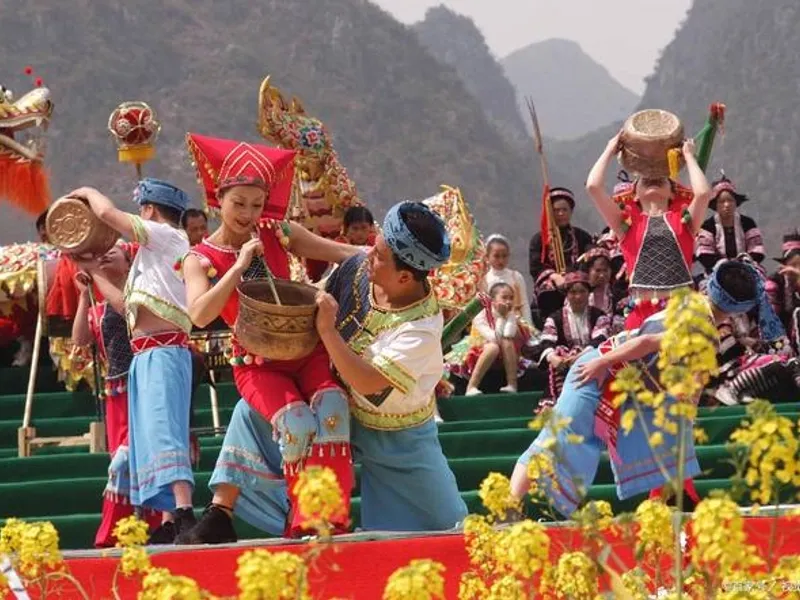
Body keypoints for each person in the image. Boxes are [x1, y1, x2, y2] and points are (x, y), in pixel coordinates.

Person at [177, 133, 355, 544]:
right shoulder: (200, 257)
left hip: (306, 351)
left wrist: (378, 257)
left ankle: (328, 521)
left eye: (256, 204)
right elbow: (199, 313)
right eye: (238, 203)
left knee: (332, 407)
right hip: (257, 364)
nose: (248, 213)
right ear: (217, 200)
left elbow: (339, 252)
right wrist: (238, 266)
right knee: (296, 423)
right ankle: (301, 523)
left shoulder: (278, 232)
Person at [510, 260, 764, 517]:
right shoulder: (702, 329)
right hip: (603, 372)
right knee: (557, 442)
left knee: (641, 444)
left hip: (625, 385)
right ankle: (511, 507)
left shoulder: (689, 303)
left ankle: (669, 502)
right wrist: (603, 362)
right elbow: (649, 342)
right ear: (740, 308)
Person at [319, 201, 468, 531]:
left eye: (378, 255)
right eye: (374, 246)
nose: (368, 255)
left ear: (404, 277)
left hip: (404, 440)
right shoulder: (371, 269)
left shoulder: (421, 329)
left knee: (449, 527)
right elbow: (313, 244)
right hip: (345, 415)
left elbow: (369, 381)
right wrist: (274, 229)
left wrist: (328, 331)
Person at [70, 179, 196, 543]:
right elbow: (126, 308)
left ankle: (185, 512)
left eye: (141, 208)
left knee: (165, 430)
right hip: (146, 354)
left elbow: (107, 213)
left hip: (164, 349)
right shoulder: (151, 256)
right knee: (151, 437)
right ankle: (170, 518)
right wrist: (93, 273)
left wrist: (86, 192)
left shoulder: (168, 237)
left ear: (151, 210)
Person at [70, 243, 161, 547]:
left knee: (128, 462)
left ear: (129, 261)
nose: (107, 254)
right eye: (103, 251)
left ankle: (114, 535)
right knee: (123, 464)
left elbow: (126, 308)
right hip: (116, 394)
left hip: (145, 386)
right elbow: (80, 339)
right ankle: (127, 534)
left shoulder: (139, 295)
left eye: (116, 251)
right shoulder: (101, 305)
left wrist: (95, 273)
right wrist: (84, 295)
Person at [586, 134, 711, 330]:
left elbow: (703, 193)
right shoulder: (625, 224)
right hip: (640, 315)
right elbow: (593, 186)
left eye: (661, 178)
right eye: (645, 179)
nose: (653, 179)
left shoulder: (684, 221)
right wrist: (610, 149)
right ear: (634, 194)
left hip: (680, 313)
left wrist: (688, 156)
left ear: (673, 192)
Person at [531, 270, 610, 407]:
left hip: (592, 362)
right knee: (559, 352)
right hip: (564, 366)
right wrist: (554, 358)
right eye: (573, 292)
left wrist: (581, 356)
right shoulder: (555, 317)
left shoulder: (599, 316)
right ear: (566, 295)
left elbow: (600, 339)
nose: (578, 297)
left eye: (582, 292)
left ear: (588, 293)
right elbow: (547, 342)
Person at [448, 282, 533, 396]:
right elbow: (494, 338)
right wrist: (502, 318)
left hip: (504, 351)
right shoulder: (481, 314)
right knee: (493, 347)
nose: (508, 301)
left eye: (511, 298)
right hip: (480, 349)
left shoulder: (511, 315)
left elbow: (509, 334)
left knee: (507, 341)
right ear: (493, 300)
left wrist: (507, 317)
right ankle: (472, 386)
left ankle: (512, 384)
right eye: (504, 297)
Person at [528, 188, 593, 324]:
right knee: (548, 293)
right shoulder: (539, 239)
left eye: (565, 210)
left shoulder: (582, 236)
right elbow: (535, 267)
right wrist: (555, 276)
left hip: (577, 281)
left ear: (571, 211)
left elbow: (589, 259)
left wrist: (575, 277)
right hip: (552, 283)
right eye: (556, 210)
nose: (561, 213)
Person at [695, 176, 764, 274]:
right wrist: (725, 265)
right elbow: (704, 253)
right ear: (715, 205)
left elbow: (756, 249)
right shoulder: (708, 226)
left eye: (730, 200)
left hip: (746, 269)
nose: (727, 205)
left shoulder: (747, 223)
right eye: (722, 201)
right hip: (717, 271)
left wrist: (744, 261)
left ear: (736, 203)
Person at [481, 234, 533, 325]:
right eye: (496, 256)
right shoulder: (484, 281)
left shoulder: (516, 277)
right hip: (493, 326)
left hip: (516, 324)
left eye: (504, 256)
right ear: (487, 257)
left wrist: (528, 326)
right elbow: (483, 311)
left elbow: (524, 304)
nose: (501, 260)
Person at [766, 231, 800, 354]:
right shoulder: (774, 282)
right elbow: (771, 317)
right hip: (782, 340)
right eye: (793, 264)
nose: (796, 268)